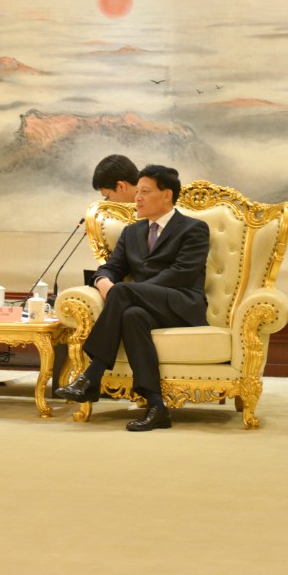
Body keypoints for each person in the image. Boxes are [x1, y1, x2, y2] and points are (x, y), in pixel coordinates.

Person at [55, 163, 210, 432]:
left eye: (145, 192)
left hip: (181, 305)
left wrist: (132, 292)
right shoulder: (132, 232)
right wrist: (103, 281)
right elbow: (111, 267)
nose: (137, 197)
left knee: (125, 294)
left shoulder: (193, 228)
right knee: (131, 315)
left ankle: (92, 375)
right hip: (142, 307)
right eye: (137, 191)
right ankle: (156, 406)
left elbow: (181, 274)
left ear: (167, 195)